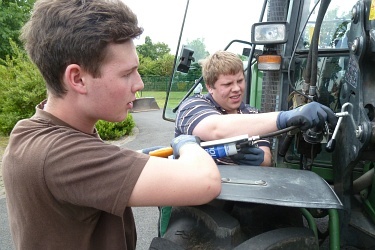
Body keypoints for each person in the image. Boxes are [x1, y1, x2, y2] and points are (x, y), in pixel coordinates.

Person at [1, 1, 221, 249]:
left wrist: (130, 160)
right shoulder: (61, 155)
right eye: (127, 73)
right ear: (77, 78)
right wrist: (188, 143)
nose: (138, 84)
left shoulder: (28, 130)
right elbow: (205, 182)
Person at [175, 50, 338, 166]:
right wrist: (284, 117)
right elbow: (216, 128)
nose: (237, 88)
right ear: (210, 86)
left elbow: (267, 158)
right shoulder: (192, 106)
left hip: (242, 192)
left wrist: (259, 159)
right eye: (228, 84)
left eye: (240, 81)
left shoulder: (252, 114)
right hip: (200, 197)